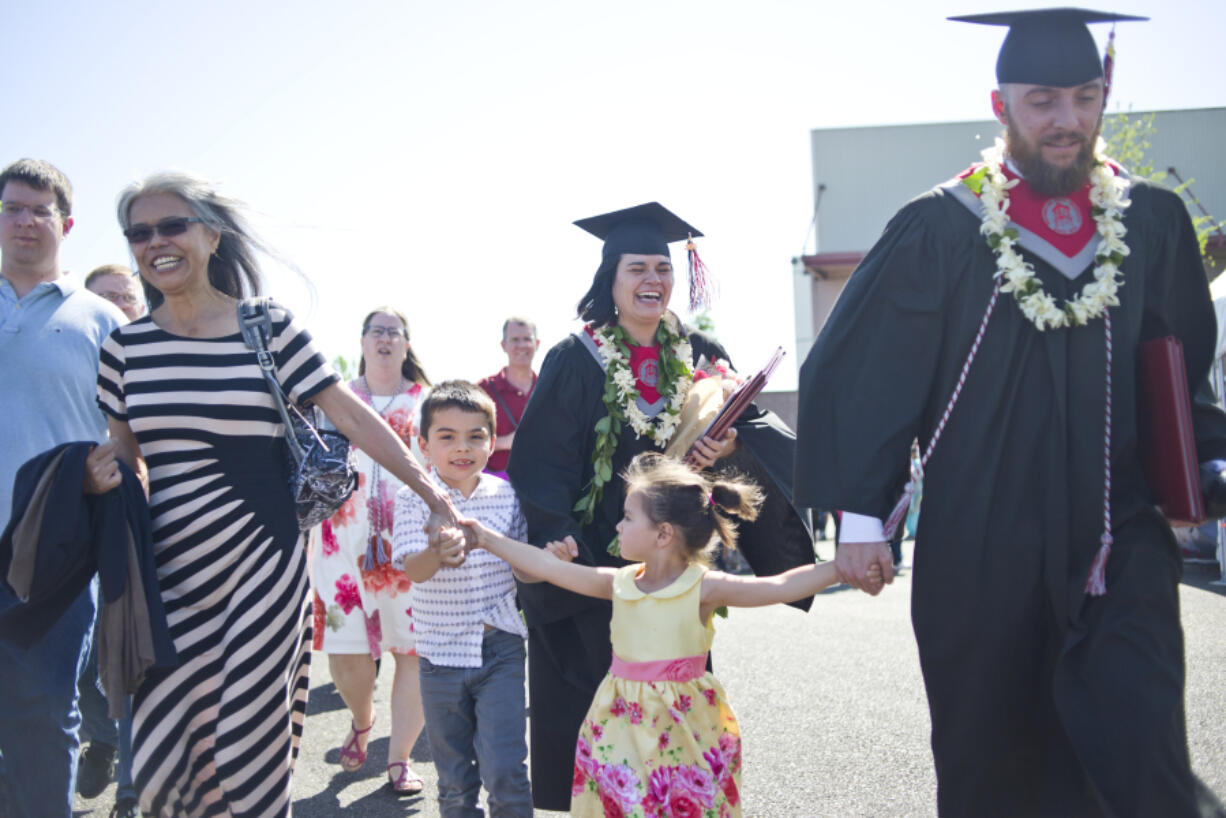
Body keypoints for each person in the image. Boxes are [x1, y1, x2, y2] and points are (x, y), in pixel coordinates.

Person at [794, 10, 1226, 817]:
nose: (1068, 120)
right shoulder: (942, 227)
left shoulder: (1152, 222)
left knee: (1143, 750)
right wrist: (860, 517)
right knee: (995, 759)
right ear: (1001, 107)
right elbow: (872, 371)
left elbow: (1179, 367)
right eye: (1044, 101)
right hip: (983, 541)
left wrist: (1201, 470)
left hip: (1117, 531)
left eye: (1086, 98)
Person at [93, 172, 461, 817]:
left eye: (173, 225)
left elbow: (351, 417)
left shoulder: (265, 328)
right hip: (169, 569)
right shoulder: (124, 348)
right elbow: (128, 459)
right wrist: (103, 473)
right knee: (159, 761)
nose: (156, 242)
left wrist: (435, 497)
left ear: (211, 235)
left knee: (247, 750)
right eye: (140, 233)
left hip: (262, 564)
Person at [507, 201, 818, 810]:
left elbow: (739, 429)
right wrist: (554, 529)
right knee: (594, 699)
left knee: (672, 696)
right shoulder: (576, 358)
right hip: (597, 552)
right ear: (611, 279)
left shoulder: (699, 349)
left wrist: (727, 443)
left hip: (673, 561)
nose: (653, 280)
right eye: (636, 268)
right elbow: (540, 460)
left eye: (662, 268)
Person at [465, 452, 864, 817]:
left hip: (685, 725)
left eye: (627, 517)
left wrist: (839, 567)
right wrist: (485, 538)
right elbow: (550, 568)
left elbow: (777, 587)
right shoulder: (617, 582)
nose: (618, 524)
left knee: (682, 806)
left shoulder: (703, 587)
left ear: (663, 534)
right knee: (620, 805)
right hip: (619, 721)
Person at [0, 158, 125, 818]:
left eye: (39, 210)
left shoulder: (102, 321)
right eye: (13, 208)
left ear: (66, 224)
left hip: (51, 554)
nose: (25, 221)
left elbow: (135, 433)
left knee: (43, 715)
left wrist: (101, 468)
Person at [390, 381, 534, 817]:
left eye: (475, 436)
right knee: (454, 781)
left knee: (507, 771)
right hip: (440, 657)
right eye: (446, 436)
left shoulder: (506, 495)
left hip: (501, 649)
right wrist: (436, 553)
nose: (462, 448)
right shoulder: (413, 498)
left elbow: (523, 567)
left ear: (492, 442)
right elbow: (411, 570)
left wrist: (550, 558)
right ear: (422, 444)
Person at [309, 306, 430, 794]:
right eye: (375, 331)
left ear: (406, 344)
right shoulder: (332, 400)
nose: (384, 339)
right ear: (361, 342)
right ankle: (362, 718)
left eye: (393, 332)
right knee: (347, 651)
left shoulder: (427, 402)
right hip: (342, 542)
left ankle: (398, 758)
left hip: (409, 544)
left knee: (412, 650)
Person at [78, 264, 144, 817]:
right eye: (108, 298)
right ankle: (100, 736)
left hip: (143, 525)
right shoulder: (70, 351)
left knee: (130, 652)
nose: (120, 305)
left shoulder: (155, 358)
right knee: (81, 653)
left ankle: (131, 791)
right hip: (74, 521)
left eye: (128, 297)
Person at [477, 316, 539, 477]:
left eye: (527, 339)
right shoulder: (483, 389)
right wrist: (506, 442)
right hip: (497, 488)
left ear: (536, 344)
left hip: (542, 485)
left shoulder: (549, 388)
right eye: (515, 339)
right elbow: (468, 440)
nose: (521, 345)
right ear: (504, 345)